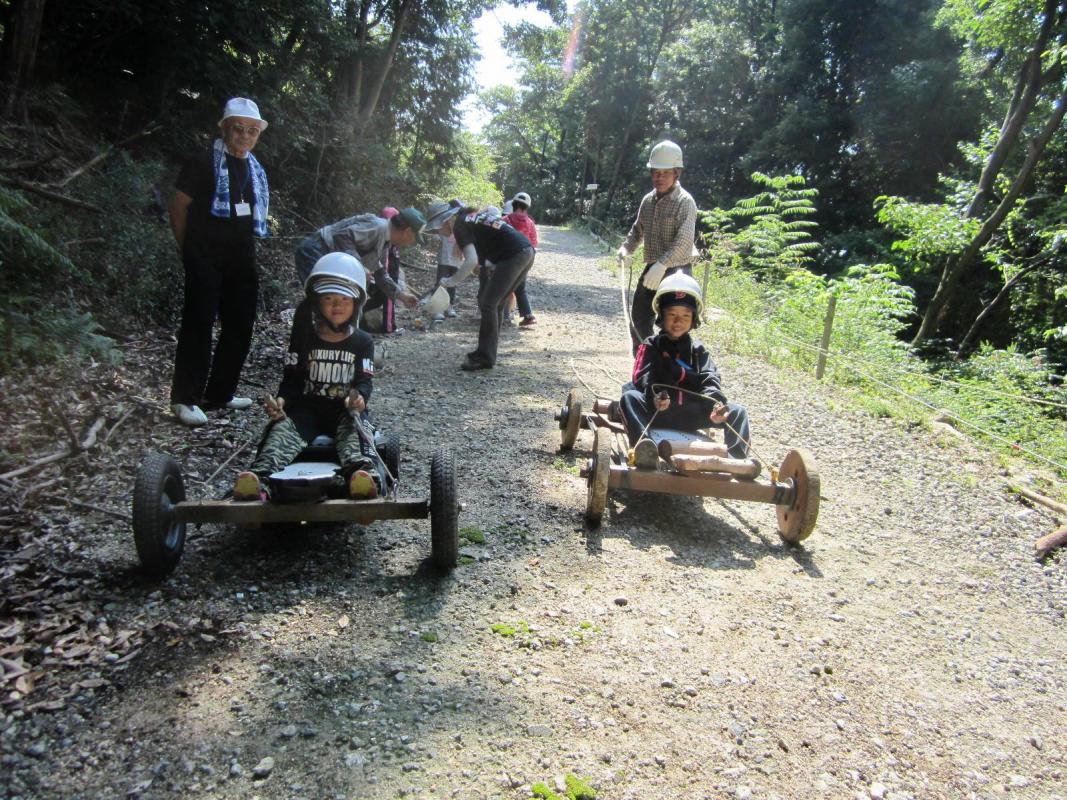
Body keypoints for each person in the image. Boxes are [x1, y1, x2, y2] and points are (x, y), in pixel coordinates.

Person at [233, 253, 386, 501]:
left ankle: (361, 477)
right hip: (306, 410)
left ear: (356, 303)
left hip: (343, 410)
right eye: (329, 299)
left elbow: (363, 382)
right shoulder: (304, 337)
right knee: (281, 431)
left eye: (344, 299)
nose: (337, 306)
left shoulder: (362, 341)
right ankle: (259, 481)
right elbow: (292, 380)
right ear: (317, 303)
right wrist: (282, 401)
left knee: (353, 433)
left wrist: (360, 400)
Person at [168, 97, 270, 427]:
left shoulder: (254, 169)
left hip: (241, 257)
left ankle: (219, 393)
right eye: (238, 128)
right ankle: (185, 398)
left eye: (252, 130)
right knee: (198, 323)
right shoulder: (202, 162)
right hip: (204, 254)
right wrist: (189, 250)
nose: (245, 135)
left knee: (240, 324)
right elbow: (178, 206)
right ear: (224, 128)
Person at [621, 272, 750, 470]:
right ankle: (644, 448)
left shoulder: (698, 351)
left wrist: (716, 405)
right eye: (672, 315)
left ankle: (736, 461)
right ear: (661, 316)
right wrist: (655, 397)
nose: (678, 321)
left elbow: (710, 378)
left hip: (691, 412)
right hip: (658, 409)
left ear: (693, 319)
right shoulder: (650, 345)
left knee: (738, 412)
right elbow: (641, 376)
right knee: (629, 397)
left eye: (685, 316)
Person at [427, 202, 535, 371]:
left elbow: (470, 261)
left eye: (438, 228)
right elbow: (482, 257)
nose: (439, 232)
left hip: (514, 254)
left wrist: (450, 281)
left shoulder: (461, 224)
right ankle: (489, 354)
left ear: (447, 220)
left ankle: (485, 356)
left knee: (488, 303)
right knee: (496, 304)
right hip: (526, 251)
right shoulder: (473, 219)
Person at [617, 140, 697, 355]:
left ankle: (671, 368)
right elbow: (637, 230)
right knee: (639, 317)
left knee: (673, 323)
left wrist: (663, 264)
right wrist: (626, 249)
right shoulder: (648, 201)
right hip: (652, 268)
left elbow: (684, 241)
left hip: (678, 270)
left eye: (664, 173)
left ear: (676, 173)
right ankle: (644, 362)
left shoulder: (685, 202)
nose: (658, 178)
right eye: (655, 172)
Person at [293, 208, 424, 311]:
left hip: (329, 258)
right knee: (322, 300)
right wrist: (358, 265)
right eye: (413, 238)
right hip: (315, 250)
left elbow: (381, 274)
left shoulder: (385, 242)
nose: (410, 242)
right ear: (407, 231)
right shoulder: (378, 227)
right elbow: (342, 235)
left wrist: (402, 295)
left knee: (330, 302)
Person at [505, 191, 538, 326]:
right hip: (525, 259)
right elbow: (534, 243)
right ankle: (528, 315)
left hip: (508, 258)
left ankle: (504, 315)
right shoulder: (530, 223)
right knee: (520, 288)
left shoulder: (506, 220)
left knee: (505, 287)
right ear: (527, 207)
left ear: (513, 204)